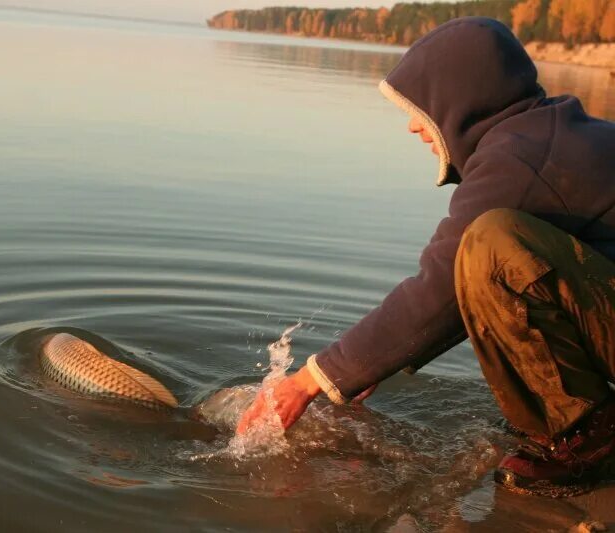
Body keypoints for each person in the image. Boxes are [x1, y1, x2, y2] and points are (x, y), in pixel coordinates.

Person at [237, 17, 615, 497]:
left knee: (488, 244)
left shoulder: (520, 160)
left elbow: (439, 289)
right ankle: (576, 426)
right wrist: (365, 366)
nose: (414, 125)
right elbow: (462, 293)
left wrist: (312, 380)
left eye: (422, 108)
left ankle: (586, 441)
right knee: (487, 257)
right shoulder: (550, 133)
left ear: (463, 100)